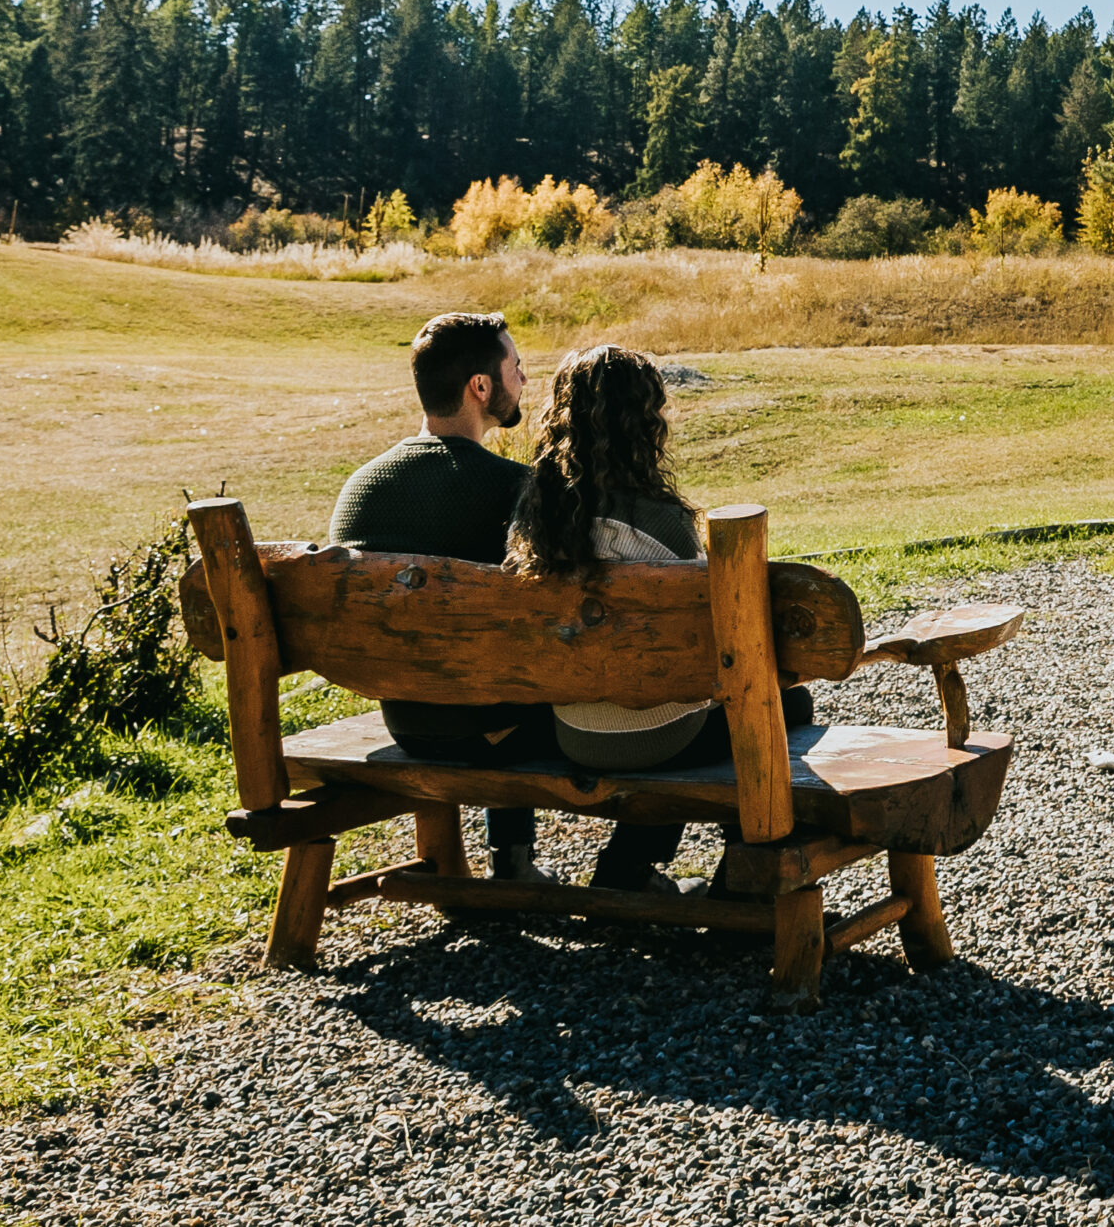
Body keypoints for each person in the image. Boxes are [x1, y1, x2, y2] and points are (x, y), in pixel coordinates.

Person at [505, 343, 812, 895]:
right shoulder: (662, 523)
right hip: (657, 736)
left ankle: (625, 871)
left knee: (664, 706)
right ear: (645, 422)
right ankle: (742, 882)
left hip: (574, 731)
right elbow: (711, 636)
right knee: (781, 707)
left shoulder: (534, 523)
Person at [325, 312, 550, 882]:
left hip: (403, 718)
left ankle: (511, 860)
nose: (524, 379)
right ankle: (517, 860)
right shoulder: (516, 488)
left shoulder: (360, 488)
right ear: (481, 386)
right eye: (516, 367)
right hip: (498, 730)